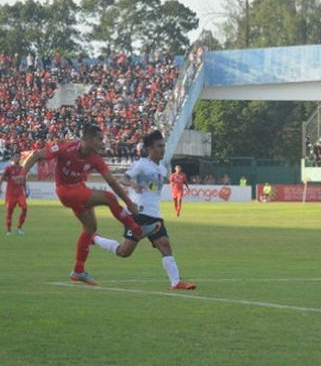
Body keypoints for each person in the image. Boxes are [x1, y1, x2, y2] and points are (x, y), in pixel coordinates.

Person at [18, 124, 157, 286]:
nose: (101, 143)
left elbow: (111, 181)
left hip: (79, 190)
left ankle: (78, 270)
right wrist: (23, 174)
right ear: (88, 139)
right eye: (99, 139)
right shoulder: (65, 147)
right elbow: (36, 155)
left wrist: (129, 202)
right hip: (65, 191)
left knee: (90, 229)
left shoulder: (95, 158)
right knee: (108, 198)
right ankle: (137, 229)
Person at [92, 131, 196, 290]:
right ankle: (95, 239)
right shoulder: (141, 164)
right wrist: (133, 184)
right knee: (124, 251)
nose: (162, 149)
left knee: (165, 244)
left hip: (154, 214)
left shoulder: (162, 168)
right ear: (149, 148)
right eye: (159, 146)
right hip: (138, 214)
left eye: (163, 146)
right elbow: (123, 179)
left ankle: (175, 282)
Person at [0, 152, 28, 235]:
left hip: (19, 194)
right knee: (9, 212)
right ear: (13, 158)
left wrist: (25, 190)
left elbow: (23, 180)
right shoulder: (9, 168)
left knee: (24, 208)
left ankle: (19, 227)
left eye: (19, 157)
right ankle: (9, 230)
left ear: (20, 159)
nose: (17, 158)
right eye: (16, 157)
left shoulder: (22, 169)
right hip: (10, 194)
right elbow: (2, 177)